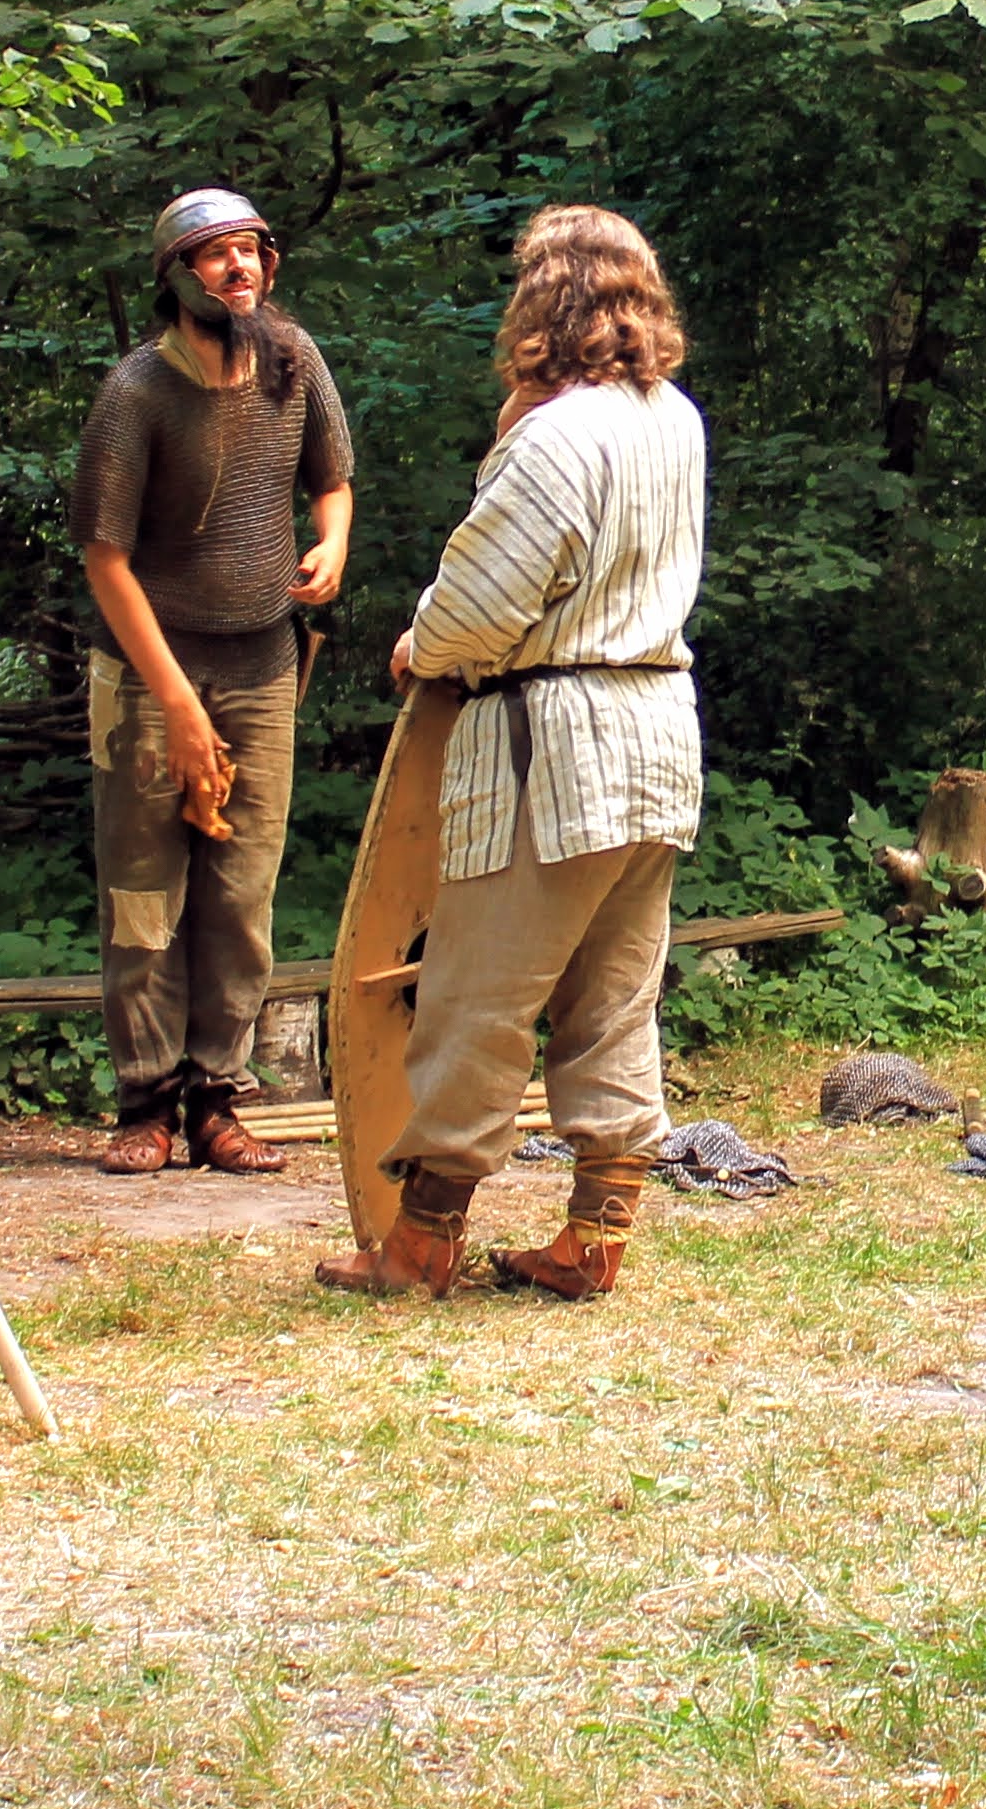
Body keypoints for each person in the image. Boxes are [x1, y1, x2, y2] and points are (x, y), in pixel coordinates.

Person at [321, 204, 704, 1301]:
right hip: (657, 737)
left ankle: (422, 1242)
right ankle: (597, 1238)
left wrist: (417, 640)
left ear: (547, 304)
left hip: (560, 747)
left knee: (475, 997)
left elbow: (481, 608)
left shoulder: (557, 439)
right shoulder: (672, 416)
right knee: (614, 996)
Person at [73, 186, 354, 1177]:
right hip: (152, 677)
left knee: (240, 896)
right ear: (178, 277)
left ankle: (217, 1103)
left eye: (251, 250)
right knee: (146, 898)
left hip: (263, 661)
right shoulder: (136, 394)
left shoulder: (293, 361)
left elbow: (333, 475)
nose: (239, 268)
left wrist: (333, 542)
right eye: (215, 254)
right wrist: (182, 708)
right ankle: (145, 1103)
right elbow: (106, 560)